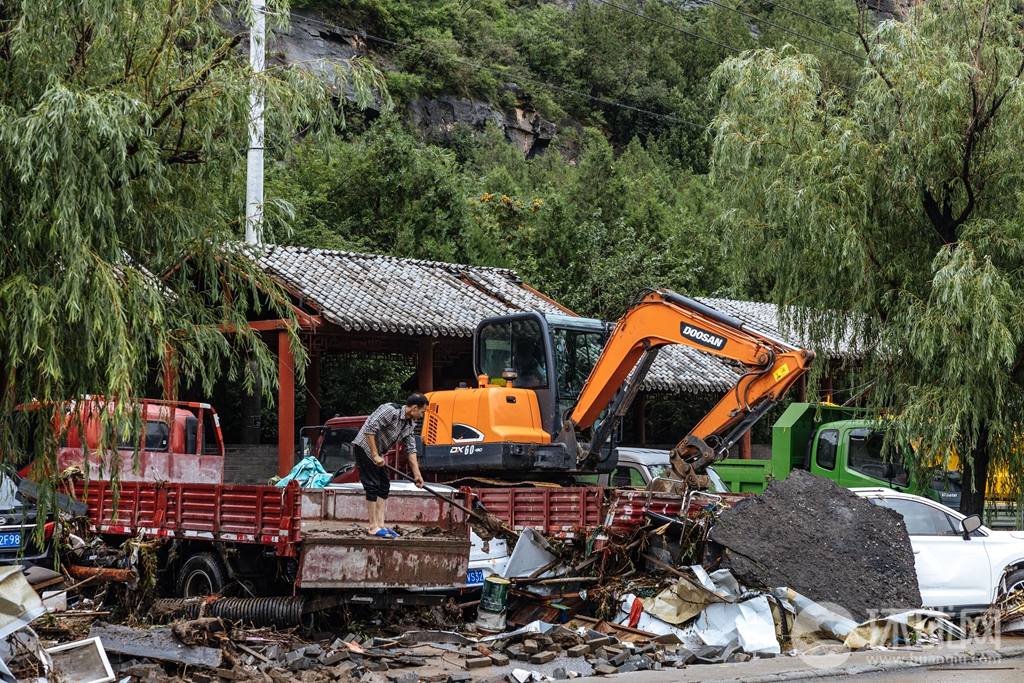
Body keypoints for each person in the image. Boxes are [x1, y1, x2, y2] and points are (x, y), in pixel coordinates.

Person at [351, 393, 428, 538]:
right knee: (372, 485)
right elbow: (369, 430)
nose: (422, 415)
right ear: (414, 408)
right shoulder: (390, 411)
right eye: (422, 412)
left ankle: (381, 525)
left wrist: (417, 474)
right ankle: (373, 527)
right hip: (365, 447)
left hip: (378, 452)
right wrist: (374, 455)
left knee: (384, 485)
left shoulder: (410, 424)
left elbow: (410, 449)